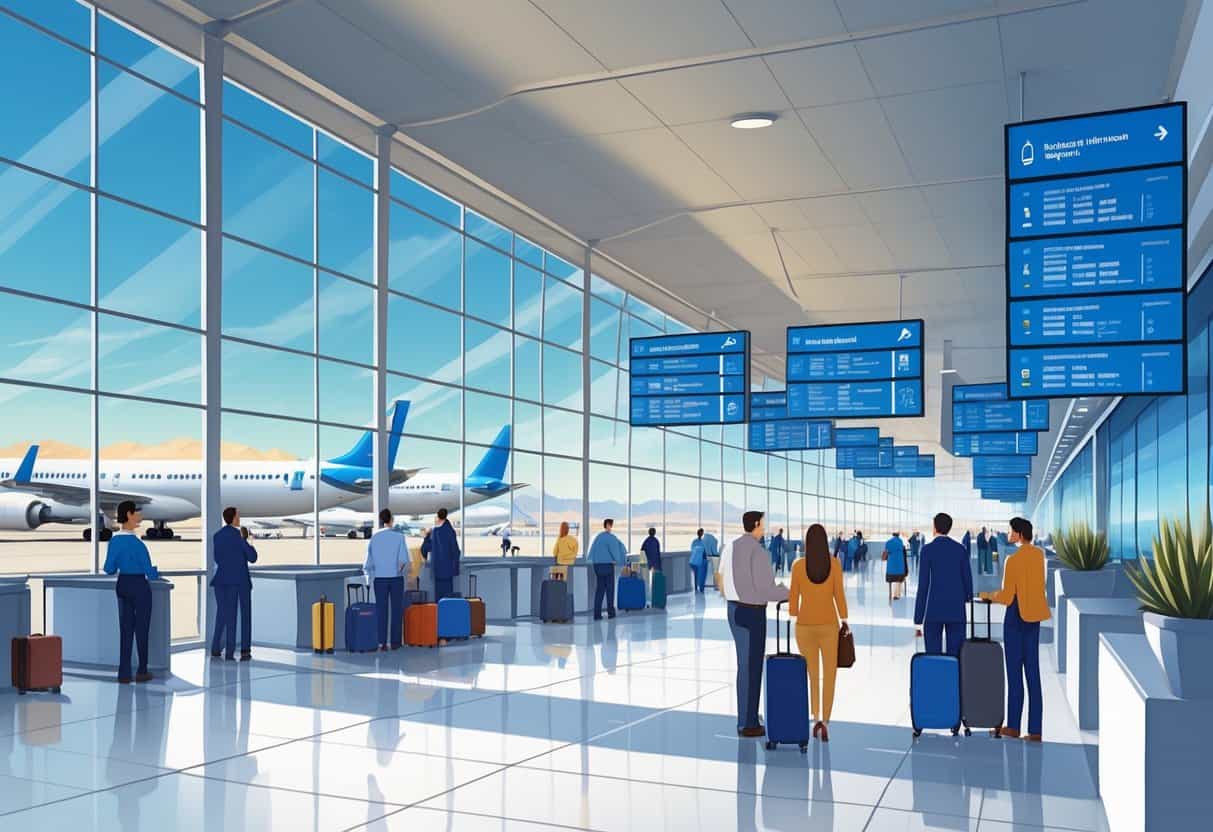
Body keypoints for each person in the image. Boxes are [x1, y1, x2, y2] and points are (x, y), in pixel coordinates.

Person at [980, 517, 1050, 741]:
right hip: (1034, 617)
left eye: (1010, 531)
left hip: (1016, 618)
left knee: (1014, 673)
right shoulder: (1039, 555)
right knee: (1033, 673)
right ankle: (1036, 730)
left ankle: (1013, 726)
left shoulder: (1013, 559)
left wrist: (987, 595)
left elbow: (1007, 595)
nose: (1008, 534)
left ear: (1019, 534)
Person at [719, 510, 787, 738]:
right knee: (752, 667)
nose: (764, 528)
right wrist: (789, 592)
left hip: (733, 610)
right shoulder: (757, 551)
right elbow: (766, 589)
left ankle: (746, 715)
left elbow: (719, 578)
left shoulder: (730, 546)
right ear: (756, 524)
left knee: (743, 666)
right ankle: (748, 723)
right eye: (763, 524)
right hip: (752, 613)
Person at [788, 523, 848, 742]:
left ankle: (815, 718)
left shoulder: (797, 566)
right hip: (829, 625)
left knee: (812, 674)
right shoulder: (834, 564)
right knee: (830, 674)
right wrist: (844, 617)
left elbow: (793, 600)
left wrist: (795, 613)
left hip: (804, 627)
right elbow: (838, 595)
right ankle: (826, 721)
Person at [102, 501, 159, 684]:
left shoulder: (114, 541)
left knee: (125, 630)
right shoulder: (137, 544)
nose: (139, 517)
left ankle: (124, 673)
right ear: (128, 515)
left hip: (123, 585)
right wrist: (155, 571)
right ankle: (142, 670)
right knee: (142, 630)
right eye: (137, 513)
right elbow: (149, 572)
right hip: (139, 587)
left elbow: (109, 568)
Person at [913, 513, 973, 657]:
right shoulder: (960, 550)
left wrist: (918, 619)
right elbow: (967, 580)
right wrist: (966, 597)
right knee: (956, 656)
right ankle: (954, 679)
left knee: (933, 656)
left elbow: (923, 586)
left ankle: (937, 679)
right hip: (956, 610)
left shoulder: (927, 550)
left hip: (933, 611)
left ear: (935, 527)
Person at [210, 506, 259, 661]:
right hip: (239, 581)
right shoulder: (238, 536)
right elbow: (252, 557)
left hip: (221, 580)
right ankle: (241, 650)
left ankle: (216, 648)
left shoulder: (217, 536)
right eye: (238, 516)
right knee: (244, 615)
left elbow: (217, 558)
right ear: (233, 518)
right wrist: (247, 541)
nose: (239, 518)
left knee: (223, 615)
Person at [364, 508, 407, 651]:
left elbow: (368, 563)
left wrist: (369, 578)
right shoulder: (399, 537)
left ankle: (381, 642)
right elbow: (402, 561)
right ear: (391, 520)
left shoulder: (374, 538)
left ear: (381, 521)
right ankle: (395, 642)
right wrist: (397, 570)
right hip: (396, 579)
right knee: (396, 611)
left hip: (380, 579)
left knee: (381, 610)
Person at [588, 518, 627, 619]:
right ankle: (611, 613)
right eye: (611, 525)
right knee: (610, 589)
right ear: (608, 525)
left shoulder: (597, 537)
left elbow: (591, 553)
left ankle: (597, 614)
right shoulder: (611, 537)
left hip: (597, 566)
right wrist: (619, 560)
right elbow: (617, 550)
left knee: (600, 589)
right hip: (607, 566)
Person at [428, 508, 460, 600]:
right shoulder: (450, 531)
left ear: (438, 517)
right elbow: (455, 550)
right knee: (448, 597)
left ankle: (439, 614)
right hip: (448, 570)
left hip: (437, 569)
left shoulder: (434, 531)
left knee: (438, 597)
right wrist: (455, 568)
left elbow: (427, 547)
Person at [883, 530, 908, 601]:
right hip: (900, 571)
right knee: (899, 580)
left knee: (893, 576)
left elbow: (885, 556)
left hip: (890, 571)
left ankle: (891, 593)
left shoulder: (888, 543)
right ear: (899, 535)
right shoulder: (901, 543)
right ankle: (896, 595)